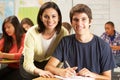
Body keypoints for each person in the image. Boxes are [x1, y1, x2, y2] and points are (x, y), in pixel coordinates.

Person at [45, 4, 115, 80]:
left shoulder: (103, 46)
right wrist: (60, 71)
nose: (79, 23)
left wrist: (92, 75)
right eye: (76, 19)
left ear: (90, 21)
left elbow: (108, 78)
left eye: (83, 19)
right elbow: (48, 67)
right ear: (71, 22)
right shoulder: (65, 42)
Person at [19, 1, 68, 80]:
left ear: (59, 17)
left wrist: (55, 71)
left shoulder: (64, 32)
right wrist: (40, 72)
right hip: (30, 63)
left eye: (53, 16)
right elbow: (27, 64)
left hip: (48, 63)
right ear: (41, 17)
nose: (50, 20)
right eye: (46, 16)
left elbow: (61, 57)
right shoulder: (31, 32)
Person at [0, 15, 25, 80]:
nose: (6, 30)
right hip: (10, 67)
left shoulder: (24, 37)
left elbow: (20, 56)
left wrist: (3, 55)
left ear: (15, 26)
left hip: (21, 69)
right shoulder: (7, 38)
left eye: (8, 27)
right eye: (5, 28)